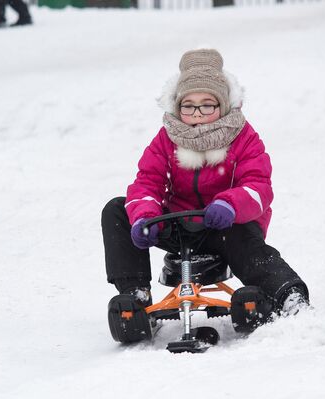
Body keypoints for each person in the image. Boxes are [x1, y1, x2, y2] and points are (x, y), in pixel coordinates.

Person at [101, 48, 310, 333]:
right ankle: (136, 295)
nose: (197, 114)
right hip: (176, 224)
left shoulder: (243, 138)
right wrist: (144, 216)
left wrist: (229, 204)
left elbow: (258, 187)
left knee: (247, 241)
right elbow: (147, 182)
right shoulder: (167, 138)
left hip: (223, 225)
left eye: (207, 105)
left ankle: (287, 293)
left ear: (222, 106)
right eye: (188, 106)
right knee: (117, 209)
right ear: (178, 107)